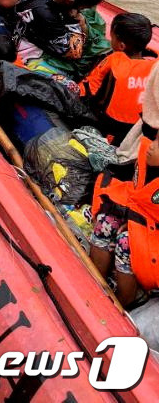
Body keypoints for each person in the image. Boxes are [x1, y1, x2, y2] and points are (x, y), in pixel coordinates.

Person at [90, 125, 159, 306]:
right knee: (106, 223)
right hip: (140, 218)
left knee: (126, 241)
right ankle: (93, 284)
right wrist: (132, 220)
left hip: (153, 238)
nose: (152, 145)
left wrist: (135, 227)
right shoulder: (148, 154)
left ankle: (123, 302)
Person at [79, 13, 157, 145]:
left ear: (121, 46)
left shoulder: (112, 61)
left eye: (112, 37)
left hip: (113, 128)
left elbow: (86, 91)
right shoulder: (156, 65)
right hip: (143, 128)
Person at [14, 0, 107, 64]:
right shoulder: (45, 14)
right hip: (29, 49)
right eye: (84, 6)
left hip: (46, 27)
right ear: (70, 1)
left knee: (92, 18)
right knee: (86, 63)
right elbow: (74, 53)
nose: (85, 9)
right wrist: (80, 23)